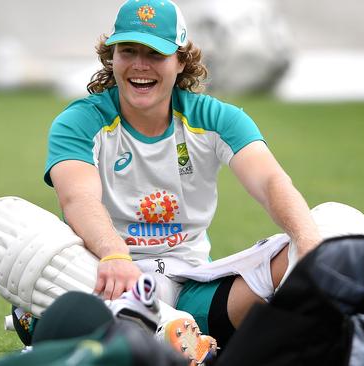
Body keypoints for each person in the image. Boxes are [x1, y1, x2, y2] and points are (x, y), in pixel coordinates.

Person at [43, 0, 321, 348]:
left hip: (191, 283)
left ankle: (163, 334)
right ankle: (160, 335)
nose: (140, 66)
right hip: (107, 276)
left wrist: (310, 243)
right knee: (2, 222)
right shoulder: (80, 120)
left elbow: (270, 182)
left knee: (334, 226)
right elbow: (77, 197)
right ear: (111, 57)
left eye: (155, 54)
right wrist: (115, 255)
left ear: (181, 61)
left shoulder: (217, 118)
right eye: (128, 51)